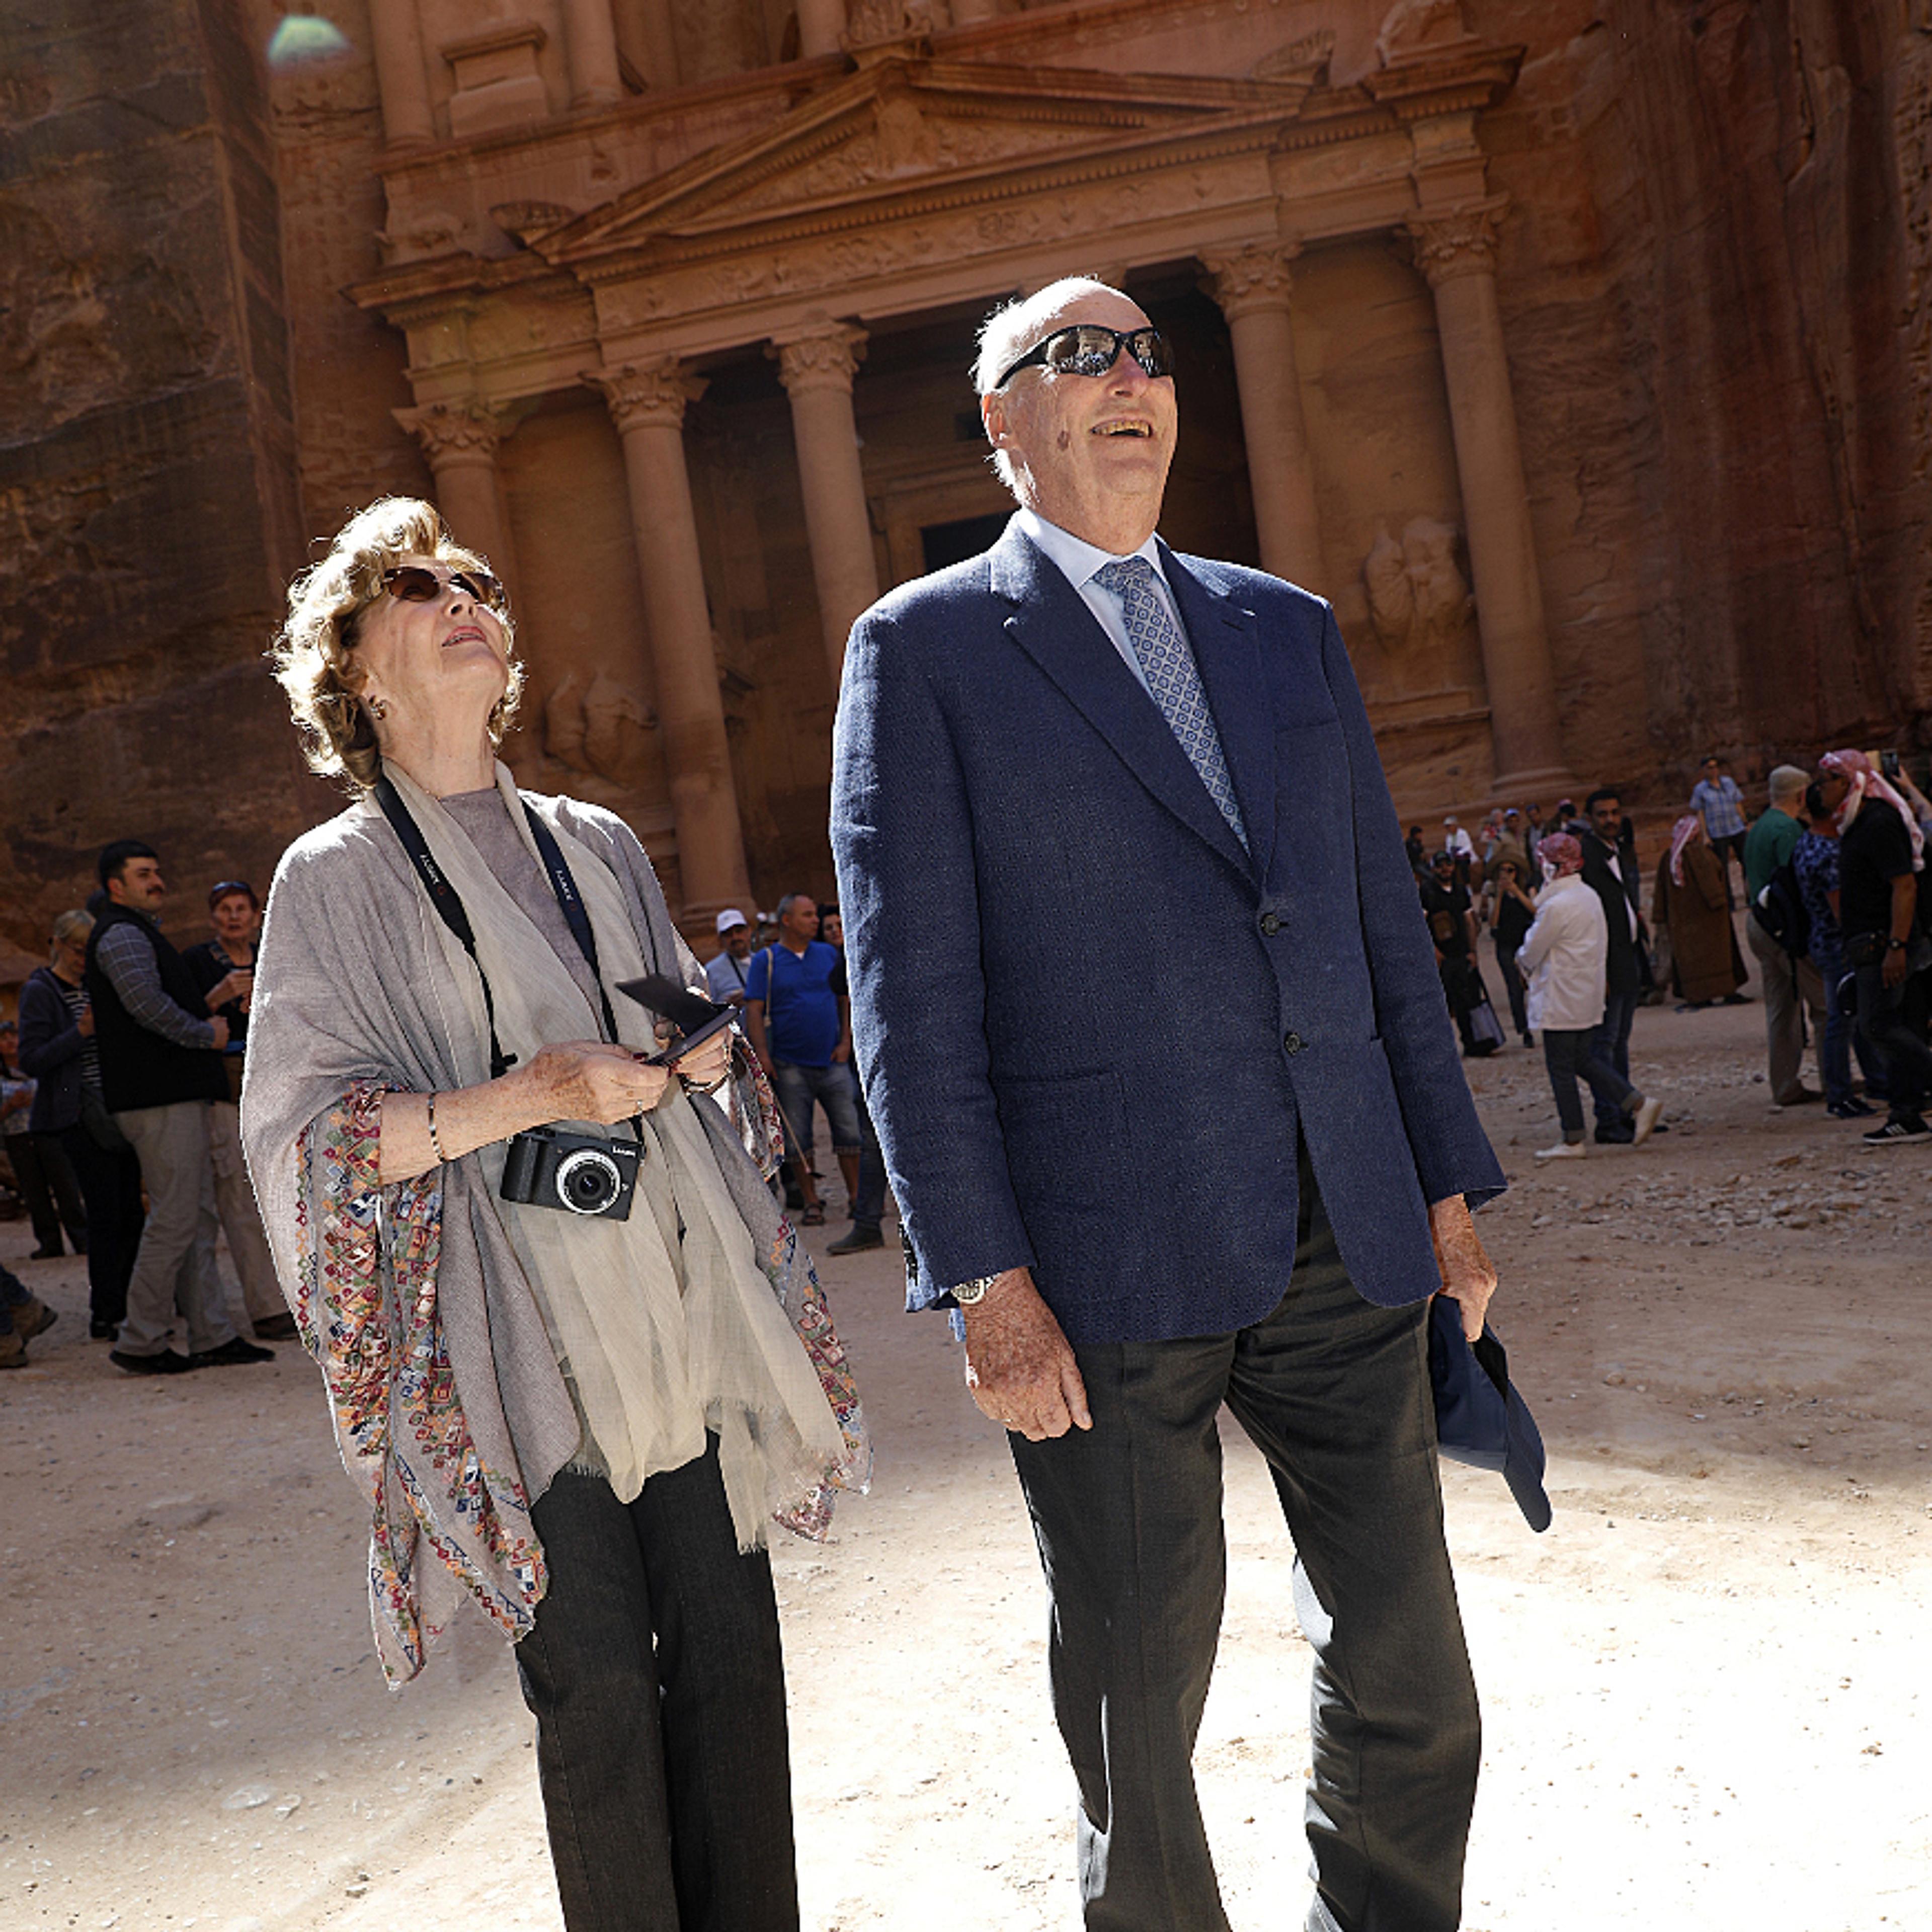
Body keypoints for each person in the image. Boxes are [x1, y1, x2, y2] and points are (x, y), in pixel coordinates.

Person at [832, 276, 1505, 1932]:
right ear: (1003, 421)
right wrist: (982, 1279)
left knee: (1418, 1679)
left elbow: (1371, 932)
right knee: (1142, 1723)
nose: (1127, 377)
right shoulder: (917, 650)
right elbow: (909, 999)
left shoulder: (1290, 625)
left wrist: (1443, 1187)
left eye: (1143, 350)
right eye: (1076, 355)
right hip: (1099, 1263)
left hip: (1341, 1226)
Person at [245, 499, 865, 1929]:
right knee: (593, 1693)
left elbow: (681, 1037)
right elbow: (305, 1141)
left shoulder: (595, 842)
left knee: (731, 1670)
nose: (463, 597)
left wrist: (704, 1060)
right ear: (357, 667)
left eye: (479, 580)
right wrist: (523, 1097)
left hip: (682, 1310)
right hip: (513, 1343)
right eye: (417, 585)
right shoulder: (329, 883)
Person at [84, 840, 272, 1377]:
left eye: (157, 872)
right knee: (173, 1220)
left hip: (172, 1092)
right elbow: (145, 1005)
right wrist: (204, 1034)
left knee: (193, 1217)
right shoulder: (121, 933)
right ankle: (141, 1338)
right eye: (144, 874)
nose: (157, 880)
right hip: (155, 1096)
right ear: (116, 886)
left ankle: (212, 1334)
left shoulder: (137, 930)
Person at [16, 910, 147, 1338]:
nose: (82, 959)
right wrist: (81, 1032)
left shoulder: (97, 985)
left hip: (117, 1111)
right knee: (105, 1215)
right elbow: (32, 1059)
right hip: (77, 1116)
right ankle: (106, 1312)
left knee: (132, 1210)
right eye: (76, 949)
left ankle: (133, 1303)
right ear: (56, 943)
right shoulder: (41, 991)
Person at [182, 881, 295, 1342]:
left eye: (241, 909)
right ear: (214, 917)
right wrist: (216, 997)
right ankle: (267, 1309)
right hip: (226, 1091)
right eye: (224, 910)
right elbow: (183, 1018)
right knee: (240, 1202)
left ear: (254, 915)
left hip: (277, 1091)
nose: (233, 917)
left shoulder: (275, 949)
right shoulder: (196, 963)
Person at [1516, 834, 1666, 1160]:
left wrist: (1522, 959)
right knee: (1584, 1059)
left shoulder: (1556, 906)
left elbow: (1531, 952)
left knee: (1560, 1066)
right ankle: (1637, 1103)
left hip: (1561, 997)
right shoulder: (1587, 896)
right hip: (1586, 993)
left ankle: (1572, 1139)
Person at [1815, 750, 1932, 1145]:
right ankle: (1907, 1113)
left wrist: (1896, 946)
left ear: (1851, 782)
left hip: (1884, 943)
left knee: (1878, 1025)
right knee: (1898, 1024)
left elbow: (1905, 885)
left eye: (1828, 779)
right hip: (1871, 941)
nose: (1821, 788)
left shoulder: (1878, 823)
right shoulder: (1856, 824)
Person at [742, 894, 862, 1228]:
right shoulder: (765, 961)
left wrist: (845, 1041)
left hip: (832, 1060)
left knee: (849, 1132)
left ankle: (856, 1199)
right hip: (789, 1064)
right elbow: (753, 1009)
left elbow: (844, 998)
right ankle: (811, 1202)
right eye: (807, 915)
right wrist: (763, 1055)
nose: (815, 920)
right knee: (799, 1139)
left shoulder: (827, 954)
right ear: (787, 921)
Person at [1793, 784, 1880, 1119]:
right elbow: (1840, 906)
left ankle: (1869, 1082)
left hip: (1822, 939)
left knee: (1849, 1017)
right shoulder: (1828, 851)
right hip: (1838, 943)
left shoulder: (1806, 842)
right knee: (1841, 1020)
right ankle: (1840, 1093)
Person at [1743, 764, 1827, 1105]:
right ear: (1802, 794)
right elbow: (1798, 885)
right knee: (1823, 1006)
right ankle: (1833, 1080)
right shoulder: (1787, 830)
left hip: (1758, 923)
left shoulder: (1760, 826)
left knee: (1781, 1009)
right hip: (1782, 927)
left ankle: (1785, 1084)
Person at [1577, 789, 1651, 1140]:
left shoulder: (1617, 851)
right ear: (1590, 818)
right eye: (1603, 814)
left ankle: (1626, 1111)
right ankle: (1608, 1119)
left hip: (1627, 960)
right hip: (1607, 966)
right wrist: (1598, 971)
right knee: (1604, 1043)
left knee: (1619, 1041)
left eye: (1614, 812)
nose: (1610, 819)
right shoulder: (1589, 858)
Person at [0, 1021, 87, 1258]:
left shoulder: (37, 1064)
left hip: (48, 1131)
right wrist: (10, 1105)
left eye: (13, 1036)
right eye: (3, 1037)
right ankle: (50, 1243)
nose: (9, 1042)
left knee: (66, 1186)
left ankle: (82, 1238)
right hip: (17, 1138)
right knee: (34, 1193)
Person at [1653, 815, 1745, 1009]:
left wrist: (1660, 916)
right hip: (1712, 920)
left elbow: (1659, 892)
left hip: (1684, 924)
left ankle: (1700, 996)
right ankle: (1724, 991)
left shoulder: (1668, 858)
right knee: (1718, 956)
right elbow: (1714, 888)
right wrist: (1720, 904)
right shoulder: (1700, 854)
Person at [1420, 848, 1496, 1057]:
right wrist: (1434, 952)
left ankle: (1476, 1041)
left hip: (1462, 953)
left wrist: (1473, 951)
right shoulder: (1428, 891)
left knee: (1469, 999)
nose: (1445, 869)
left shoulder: (1460, 890)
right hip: (1443, 956)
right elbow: (1422, 925)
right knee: (1449, 1002)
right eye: (1441, 865)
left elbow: (1469, 921)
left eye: (1448, 864)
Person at [1489, 853, 1538, 1047]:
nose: (1507, 874)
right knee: (1514, 987)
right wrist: (1501, 895)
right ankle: (1524, 1029)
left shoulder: (1527, 888)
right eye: (1503, 870)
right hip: (1506, 943)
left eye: (1511, 870)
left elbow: (1535, 910)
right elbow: (1493, 922)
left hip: (1525, 942)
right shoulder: (1494, 892)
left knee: (1533, 984)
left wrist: (1516, 892)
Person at [1690, 755, 1749, 905]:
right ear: (1704, 770)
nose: (1714, 771)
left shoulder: (1728, 783)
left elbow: (1738, 802)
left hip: (1736, 827)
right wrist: (1705, 835)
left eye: (1716, 767)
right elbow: (1700, 813)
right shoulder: (1700, 790)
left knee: (1746, 862)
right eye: (1710, 768)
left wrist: (1744, 821)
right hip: (1717, 832)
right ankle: (1729, 902)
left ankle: (1750, 895)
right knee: (1722, 869)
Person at [704, 908, 754, 1006]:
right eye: (728, 934)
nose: (735, 937)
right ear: (720, 940)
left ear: (748, 931)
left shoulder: (765, 961)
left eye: (739, 931)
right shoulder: (712, 971)